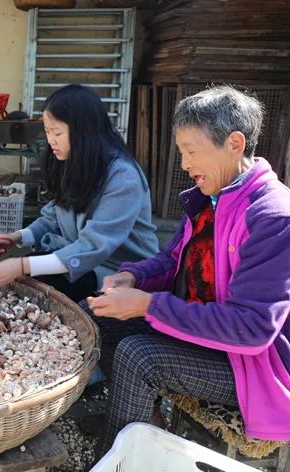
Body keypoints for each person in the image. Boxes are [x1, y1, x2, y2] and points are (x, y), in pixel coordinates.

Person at [86, 86, 290, 453]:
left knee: (138, 356)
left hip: (253, 365)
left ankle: (116, 459)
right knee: (94, 315)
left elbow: (253, 330)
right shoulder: (213, 196)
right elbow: (173, 259)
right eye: (182, 153)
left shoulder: (273, 217)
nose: (184, 165)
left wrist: (147, 305)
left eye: (191, 152)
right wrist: (133, 277)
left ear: (234, 143)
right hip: (200, 327)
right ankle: (143, 425)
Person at [0, 85, 159, 302]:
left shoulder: (122, 177)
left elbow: (94, 246)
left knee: (37, 283)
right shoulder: (70, 160)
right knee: (29, 277)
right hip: (78, 258)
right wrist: (18, 236)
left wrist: (21, 265)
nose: (50, 140)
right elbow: (54, 215)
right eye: (47, 132)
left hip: (118, 272)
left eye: (57, 133)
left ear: (83, 132)